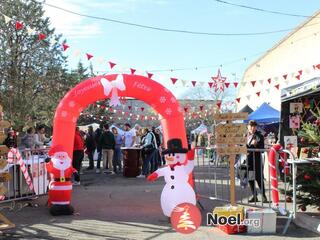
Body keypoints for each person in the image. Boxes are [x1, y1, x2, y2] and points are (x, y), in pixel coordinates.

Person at [246, 120, 268, 203]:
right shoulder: (245, 136)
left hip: (257, 159)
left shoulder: (259, 135)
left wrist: (256, 145)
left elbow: (262, 149)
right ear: (247, 127)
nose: (252, 128)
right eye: (251, 126)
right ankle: (254, 196)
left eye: (254, 126)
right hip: (248, 160)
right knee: (250, 178)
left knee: (259, 178)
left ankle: (264, 196)